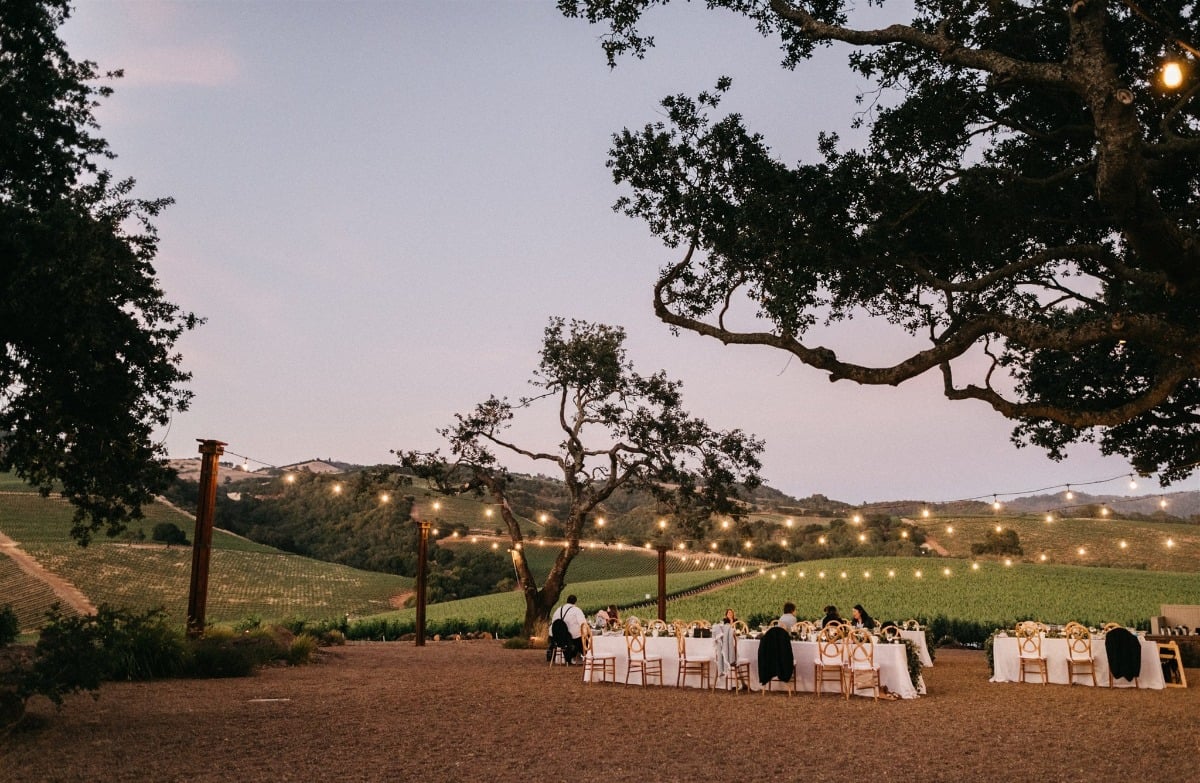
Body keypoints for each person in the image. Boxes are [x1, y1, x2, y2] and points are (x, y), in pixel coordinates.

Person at [549, 594, 586, 664]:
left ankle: (569, 656)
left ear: (567, 601)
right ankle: (579, 656)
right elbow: (583, 624)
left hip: (555, 636)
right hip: (569, 638)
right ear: (575, 602)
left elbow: (553, 622)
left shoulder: (558, 609)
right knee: (584, 640)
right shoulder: (576, 610)